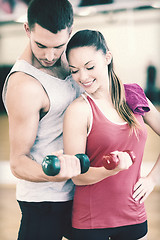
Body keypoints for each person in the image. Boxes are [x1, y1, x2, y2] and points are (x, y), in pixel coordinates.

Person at [63, 29, 160, 240]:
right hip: (91, 222)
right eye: (74, 70)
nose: (83, 77)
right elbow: (77, 177)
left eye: (89, 67)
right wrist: (112, 169)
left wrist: (153, 178)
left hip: (134, 216)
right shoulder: (79, 110)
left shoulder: (134, 94)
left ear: (107, 57)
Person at [2, 0, 83, 239]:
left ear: (70, 30)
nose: (50, 55)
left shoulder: (71, 59)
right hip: (45, 201)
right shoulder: (24, 85)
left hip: (81, 191)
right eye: (40, 45)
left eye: (58, 45)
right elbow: (18, 161)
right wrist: (54, 174)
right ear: (27, 29)